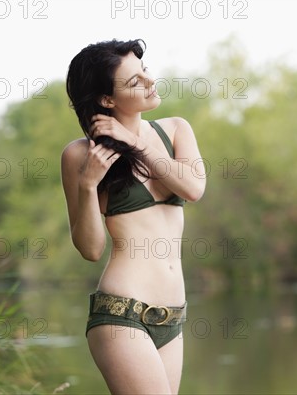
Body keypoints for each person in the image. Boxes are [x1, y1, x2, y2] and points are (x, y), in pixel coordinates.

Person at [61, 39, 205, 394]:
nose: (150, 81)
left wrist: (134, 141)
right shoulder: (80, 155)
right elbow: (90, 249)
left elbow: (193, 188)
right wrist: (88, 185)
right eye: (134, 81)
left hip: (173, 315)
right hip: (122, 313)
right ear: (107, 99)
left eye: (145, 72)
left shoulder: (175, 130)